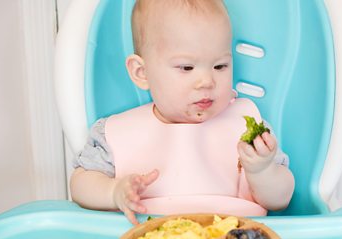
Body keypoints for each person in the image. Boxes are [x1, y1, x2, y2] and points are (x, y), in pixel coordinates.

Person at [70, 0, 294, 224]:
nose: (207, 81)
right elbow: (80, 184)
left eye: (220, 66)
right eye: (187, 68)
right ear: (142, 72)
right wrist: (112, 192)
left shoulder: (247, 129)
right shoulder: (117, 133)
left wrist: (262, 170)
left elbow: (280, 200)